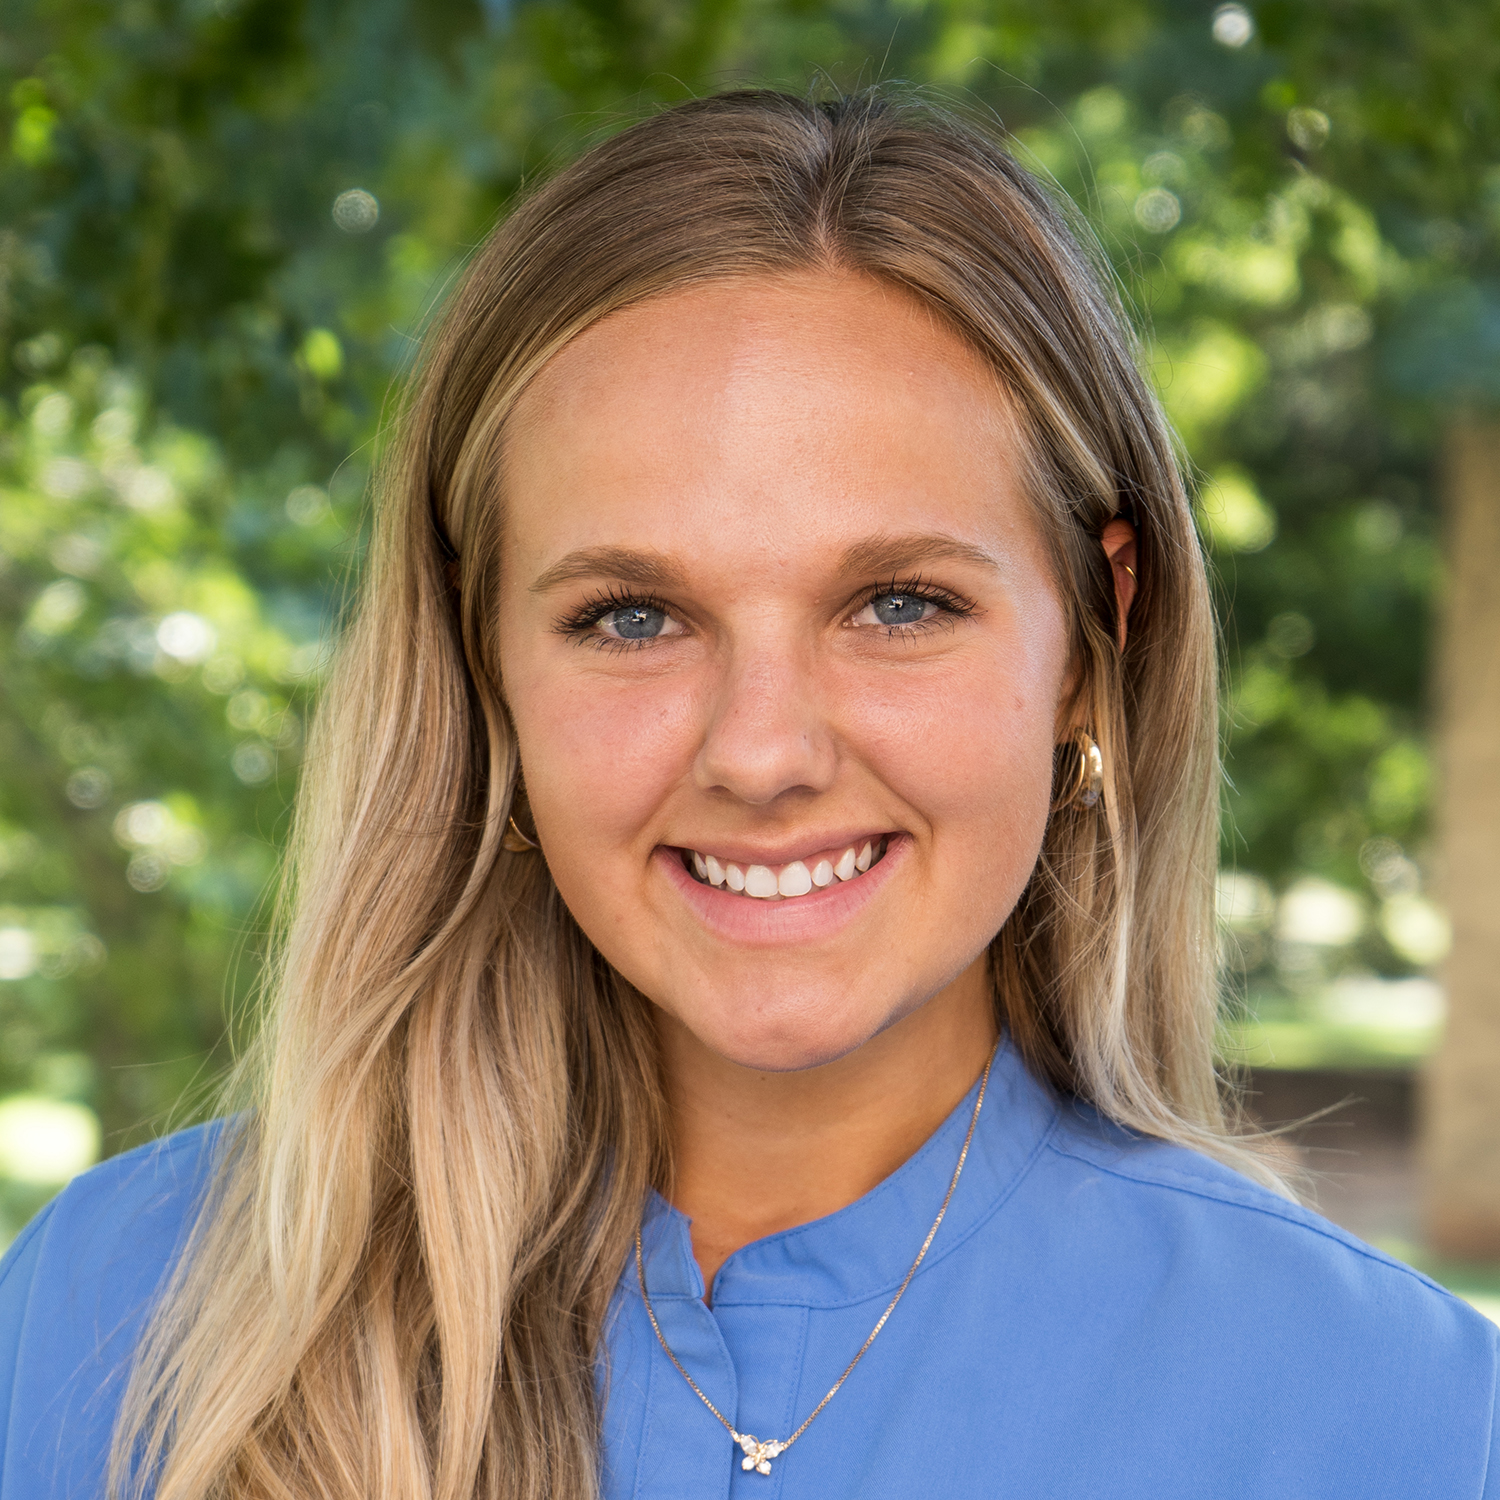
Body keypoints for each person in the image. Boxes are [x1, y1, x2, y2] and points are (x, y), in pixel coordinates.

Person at [1, 88, 1494, 1500]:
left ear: (1097, 648)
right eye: (633, 616)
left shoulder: (1396, 1419)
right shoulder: (114, 1316)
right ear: (483, 666)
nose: (763, 754)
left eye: (899, 603)